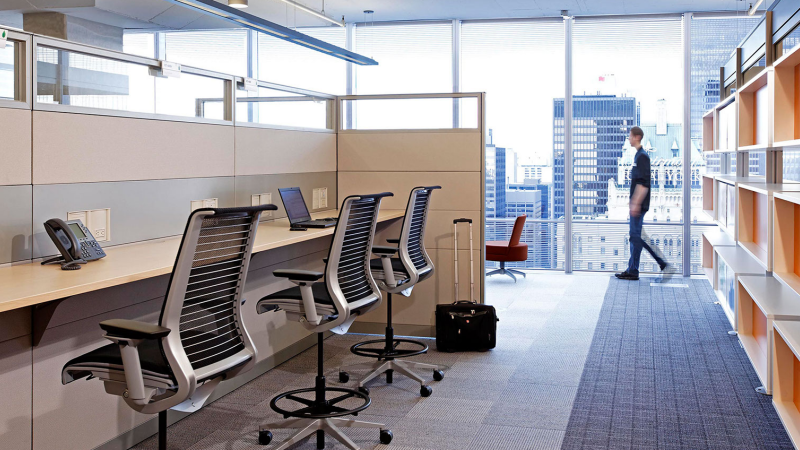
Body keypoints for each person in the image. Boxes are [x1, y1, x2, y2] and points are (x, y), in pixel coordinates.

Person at [616, 126, 668, 281]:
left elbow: (644, 183)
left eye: (630, 136)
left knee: (636, 237)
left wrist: (636, 204)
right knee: (635, 237)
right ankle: (633, 270)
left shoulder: (643, 157)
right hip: (636, 205)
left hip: (638, 206)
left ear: (637, 137)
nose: (629, 139)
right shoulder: (638, 156)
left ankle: (662, 263)